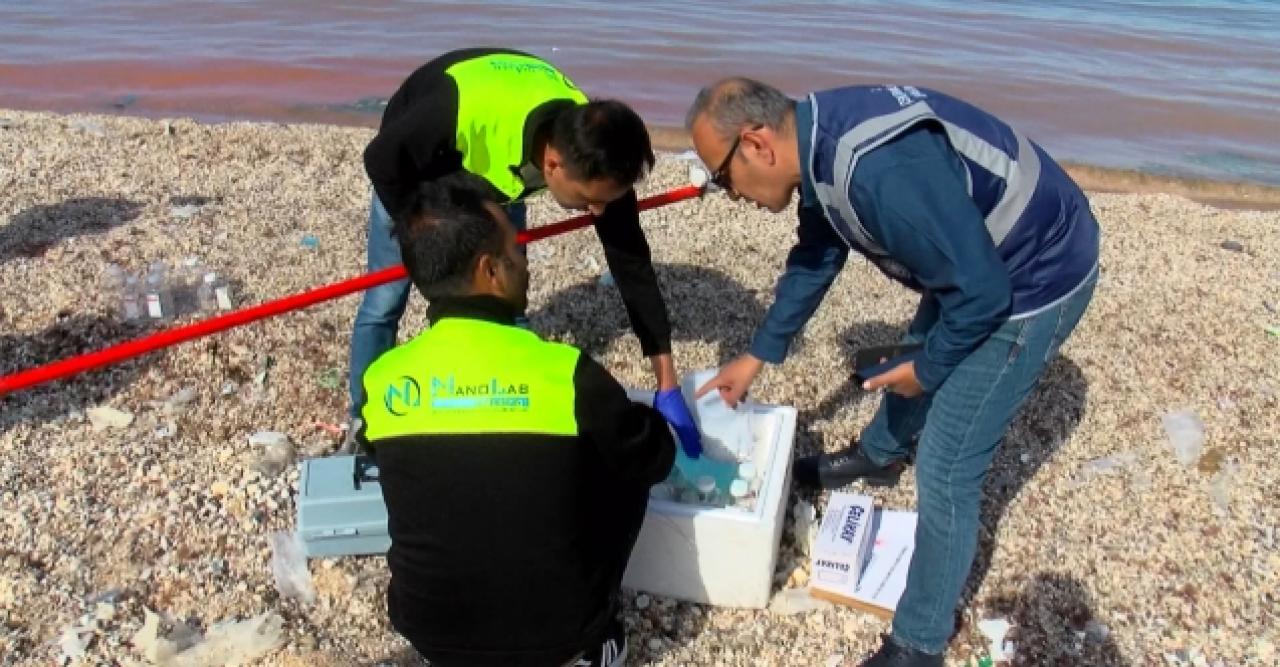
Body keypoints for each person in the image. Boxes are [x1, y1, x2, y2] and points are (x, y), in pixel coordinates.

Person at [686, 78, 1099, 665]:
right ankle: (880, 456)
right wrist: (757, 354)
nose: (730, 194)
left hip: (1035, 275)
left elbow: (982, 294)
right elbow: (817, 254)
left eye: (722, 178)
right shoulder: (813, 141)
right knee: (916, 343)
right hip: (977, 255)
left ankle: (918, 641)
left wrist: (928, 372)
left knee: (949, 463)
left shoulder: (878, 173)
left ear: (756, 145)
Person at [355, 173, 676, 667]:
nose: (525, 262)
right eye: (516, 250)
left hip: (429, 632)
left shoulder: (385, 380)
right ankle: (594, 649)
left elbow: (380, 454)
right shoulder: (564, 373)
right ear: (491, 271)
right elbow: (652, 457)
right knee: (620, 465)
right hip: (558, 634)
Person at [348, 47, 700, 457]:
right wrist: (423, 242)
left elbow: (631, 263)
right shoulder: (453, 113)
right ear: (552, 165)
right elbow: (382, 159)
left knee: (507, 297)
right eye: (588, 200)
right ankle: (364, 419)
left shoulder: (594, 148)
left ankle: (504, 401)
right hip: (424, 162)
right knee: (387, 299)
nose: (598, 212)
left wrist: (667, 380)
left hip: (502, 168)